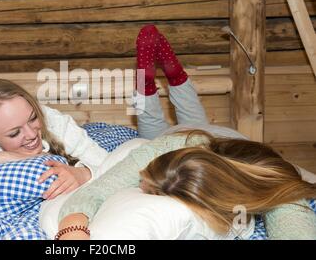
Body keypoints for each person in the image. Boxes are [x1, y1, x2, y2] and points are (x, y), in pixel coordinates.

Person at [55, 24, 316, 240]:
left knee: (166, 123)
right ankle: (157, 79)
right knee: (152, 132)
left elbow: (294, 226)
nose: (142, 190)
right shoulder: (169, 148)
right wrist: (72, 231)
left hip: (212, 136)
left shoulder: (273, 184)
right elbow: (97, 190)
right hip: (192, 137)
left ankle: (159, 79)